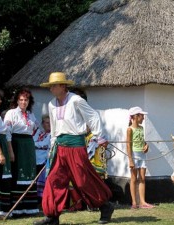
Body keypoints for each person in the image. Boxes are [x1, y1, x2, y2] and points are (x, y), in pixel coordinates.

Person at [34, 72, 114, 225]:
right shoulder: (51, 104)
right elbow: (55, 127)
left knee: (83, 181)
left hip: (76, 146)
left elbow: (93, 117)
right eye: (50, 86)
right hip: (59, 146)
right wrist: (52, 145)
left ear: (63, 86)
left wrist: (99, 136)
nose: (51, 89)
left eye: (53, 86)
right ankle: (52, 216)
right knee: (54, 180)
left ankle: (105, 206)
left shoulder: (76, 101)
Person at [4, 88, 39, 216]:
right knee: (18, 174)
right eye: (21, 100)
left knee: (29, 174)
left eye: (26, 100)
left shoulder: (31, 115)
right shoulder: (11, 113)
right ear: (17, 101)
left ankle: (29, 208)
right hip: (16, 144)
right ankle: (17, 208)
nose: (24, 102)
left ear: (29, 101)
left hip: (28, 146)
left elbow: (36, 130)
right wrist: (11, 151)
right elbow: (7, 133)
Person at [126, 106, 154, 209]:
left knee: (142, 178)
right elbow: (128, 145)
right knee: (134, 178)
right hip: (134, 155)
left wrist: (146, 146)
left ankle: (143, 202)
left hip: (142, 155)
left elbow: (142, 140)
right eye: (142, 116)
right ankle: (134, 202)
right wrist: (130, 160)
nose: (143, 118)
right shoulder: (130, 129)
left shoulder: (141, 128)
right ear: (136, 116)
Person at [0, 91, 13, 217]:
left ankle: (2, 210)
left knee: (2, 178)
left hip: (2, 146)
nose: (0, 101)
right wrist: (0, 153)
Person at [33, 115, 51, 204]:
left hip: (44, 161)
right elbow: (33, 140)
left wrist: (35, 144)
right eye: (47, 123)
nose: (49, 125)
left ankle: (43, 201)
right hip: (35, 160)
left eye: (50, 122)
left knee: (43, 181)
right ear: (43, 124)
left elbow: (44, 144)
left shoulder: (52, 134)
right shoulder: (40, 133)